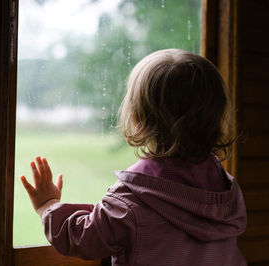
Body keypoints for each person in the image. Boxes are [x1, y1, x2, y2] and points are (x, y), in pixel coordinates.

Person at [21, 49, 247, 266]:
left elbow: (83, 238)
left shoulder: (132, 199)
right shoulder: (226, 192)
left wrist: (48, 205)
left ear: (138, 117)